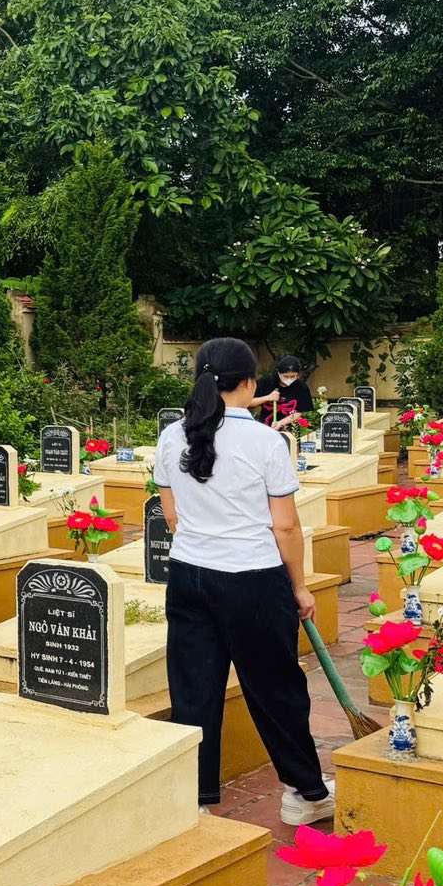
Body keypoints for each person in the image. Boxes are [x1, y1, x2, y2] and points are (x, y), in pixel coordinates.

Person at [155, 336, 333, 823]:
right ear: (252, 383)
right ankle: (305, 794)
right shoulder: (265, 440)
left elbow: (171, 516)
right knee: (275, 688)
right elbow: (285, 526)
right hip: (252, 579)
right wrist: (299, 586)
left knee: (193, 689)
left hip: (188, 575)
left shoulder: (171, 436)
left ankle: (193, 802)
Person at [253, 354, 316, 430]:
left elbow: (299, 411)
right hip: (265, 428)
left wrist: (281, 423)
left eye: (293, 376)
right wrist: (267, 398)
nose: (289, 379)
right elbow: (248, 402)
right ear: (279, 373)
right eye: (285, 376)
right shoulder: (266, 382)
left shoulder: (301, 387)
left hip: (291, 430)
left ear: (297, 375)